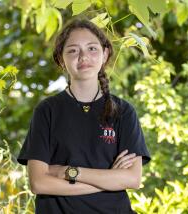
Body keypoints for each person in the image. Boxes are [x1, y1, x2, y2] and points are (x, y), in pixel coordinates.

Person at [17, 18, 151, 214]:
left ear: (105, 54)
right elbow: (39, 183)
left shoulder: (123, 111)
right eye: (72, 50)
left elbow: (132, 179)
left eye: (92, 49)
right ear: (61, 60)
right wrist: (109, 179)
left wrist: (68, 172)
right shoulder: (47, 111)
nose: (83, 57)